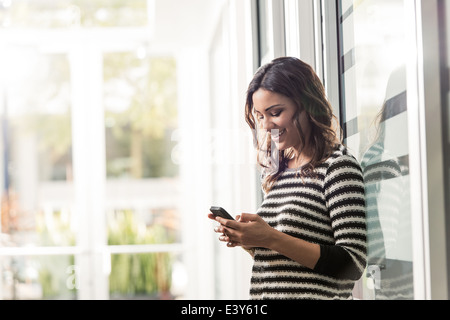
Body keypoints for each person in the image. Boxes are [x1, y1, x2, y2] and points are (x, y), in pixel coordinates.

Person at [208, 57, 367, 300]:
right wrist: (250, 240)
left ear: (307, 105)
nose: (267, 125)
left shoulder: (338, 167)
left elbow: (352, 264)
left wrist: (270, 237)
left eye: (276, 113)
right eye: (260, 116)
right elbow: (289, 265)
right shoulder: (277, 168)